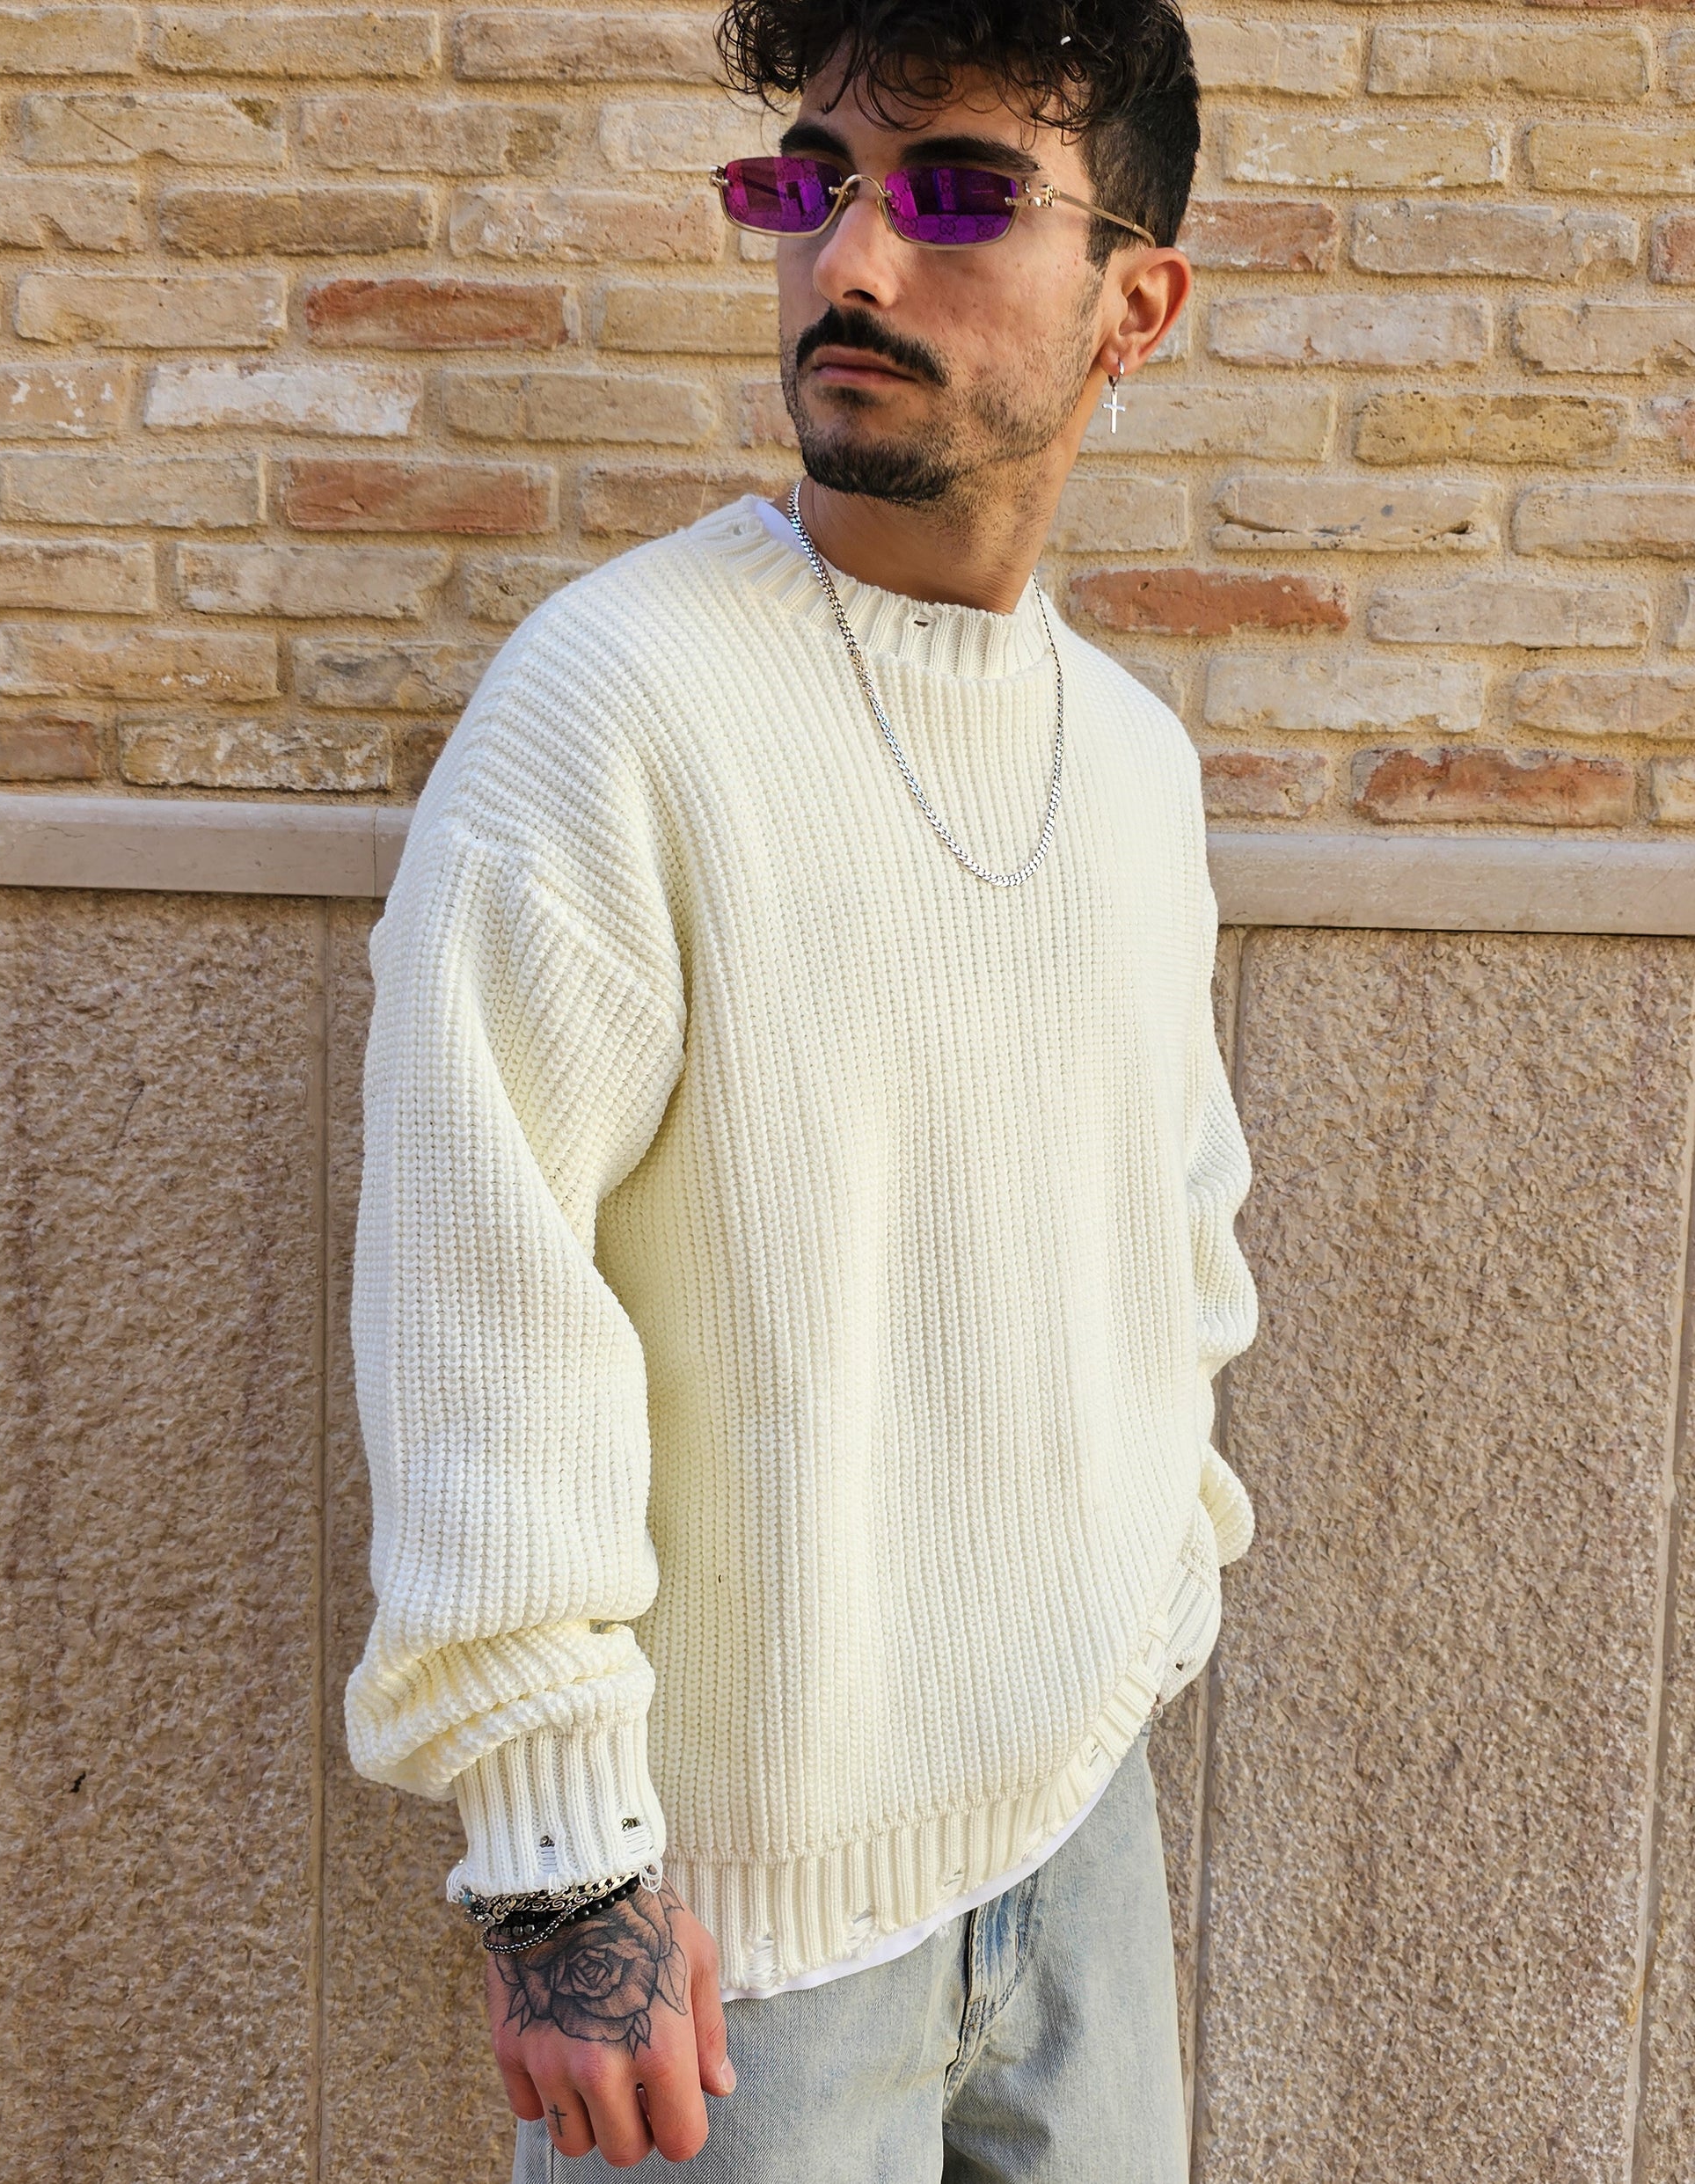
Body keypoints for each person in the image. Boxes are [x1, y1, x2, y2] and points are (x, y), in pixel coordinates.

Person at [344, 2, 1260, 2175]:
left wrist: (1151, 1599)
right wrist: (559, 1873)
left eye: (955, 194)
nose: (848, 262)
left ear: (1135, 305)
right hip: (731, 1946)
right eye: (809, 184)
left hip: (1076, 1825)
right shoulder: (615, 704)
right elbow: (480, 1288)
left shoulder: (1137, 765)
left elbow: (1175, 1240)